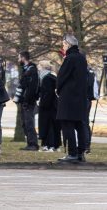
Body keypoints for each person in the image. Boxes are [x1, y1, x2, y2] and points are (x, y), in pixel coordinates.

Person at [56, 35, 89, 163]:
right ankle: (81, 153)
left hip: (68, 97)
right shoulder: (82, 58)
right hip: (80, 97)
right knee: (79, 125)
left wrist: (57, 89)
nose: (63, 47)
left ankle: (72, 153)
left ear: (68, 44)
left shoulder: (69, 58)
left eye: (63, 44)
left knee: (67, 124)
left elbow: (62, 77)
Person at [17, 50, 40, 151]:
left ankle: (33, 144)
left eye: (19, 57)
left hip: (28, 102)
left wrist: (27, 100)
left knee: (29, 122)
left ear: (23, 58)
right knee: (25, 123)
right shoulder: (26, 69)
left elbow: (32, 88)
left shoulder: (32, 70)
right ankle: (29, 143)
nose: (18, 60)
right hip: (24, 101)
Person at [38, 61, 61, 152]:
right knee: (54, 126)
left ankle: (49, 145)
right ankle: (55, 145)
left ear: (43, 67)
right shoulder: (53, 76)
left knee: (48, 125)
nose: (38, 68)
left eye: (39, 66)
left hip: (48, 106)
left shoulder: (46, 78)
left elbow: (47, 93)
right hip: (54, 105)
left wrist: (42, 104)